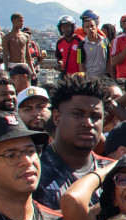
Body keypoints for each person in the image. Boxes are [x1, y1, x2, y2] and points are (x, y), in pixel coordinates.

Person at [37, 75, 107, 209]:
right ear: (57, 117)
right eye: (78, 114)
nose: (88, 123)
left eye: (95, 116)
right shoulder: (33, 169)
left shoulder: (113, 171)